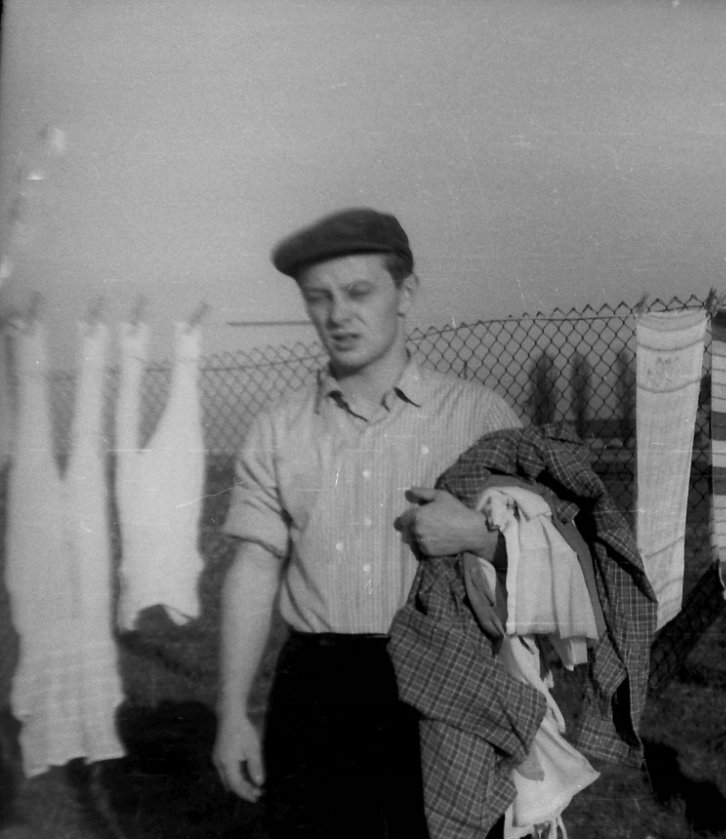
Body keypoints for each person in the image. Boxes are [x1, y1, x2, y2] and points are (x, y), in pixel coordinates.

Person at [211, 207, 522, 838]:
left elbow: (553, 556)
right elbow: (254, 569)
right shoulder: (279, 429)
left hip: (447, 676)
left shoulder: (478, 416)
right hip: (317, 686)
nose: (338, 315)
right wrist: (232, 711)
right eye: (318, 298)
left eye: (358, 292)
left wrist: (476, 536)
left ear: (405, 293)